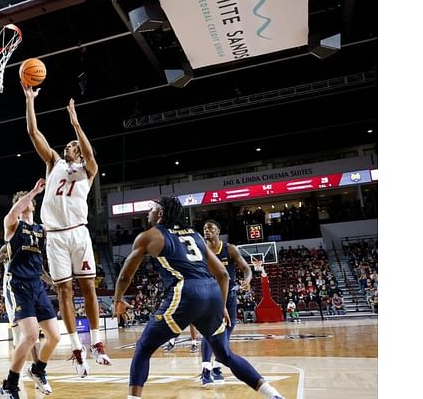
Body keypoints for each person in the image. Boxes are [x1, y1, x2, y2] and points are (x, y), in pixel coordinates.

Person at [113, 197, 285, 399]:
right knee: (224, 355)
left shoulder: (149, 236)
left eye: (151, 209)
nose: (147, 212)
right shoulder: (195, 235)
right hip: (212, 292)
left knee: (143, 347)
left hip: (185, 292)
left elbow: (125, 275)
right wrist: (220, 306)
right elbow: (222, 274)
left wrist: (118, 299)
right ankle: (272, 394)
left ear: (160, 214)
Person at [22, 81, 110, 376]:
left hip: (79, 233)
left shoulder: (89, 170)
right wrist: (30, 100)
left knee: (88, 289)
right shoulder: (54, 162)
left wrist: (75, 124)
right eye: (70, 144)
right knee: (64, 293)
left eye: (75, 146)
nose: (70, 146)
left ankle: (97, 343)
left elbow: (89, 152)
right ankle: (76, 350)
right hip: (56, 237)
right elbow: (34, 133)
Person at [0, 180, 61, 398]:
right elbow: (13, 212)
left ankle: (38, 369)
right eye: (22, 202)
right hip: (19, 286)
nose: (27, 203)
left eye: (30, 201)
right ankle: (9, 385)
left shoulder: (41, 230)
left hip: (37, 286)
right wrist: (33, 192)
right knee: (31, 336)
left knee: (54, 336)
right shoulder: (12, 225)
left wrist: (53, 280)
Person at [198, 219, 254, 388]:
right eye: (204, 229)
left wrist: (247, 280)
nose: (207, 231)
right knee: (209, 331)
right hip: (209, 294)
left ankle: (217, 366)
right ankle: (206, 369)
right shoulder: (200, 249)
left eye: (210, 228)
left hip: (229, 295)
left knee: (228, 329)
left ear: (218, 231)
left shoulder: (230, 248)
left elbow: (246, 269)